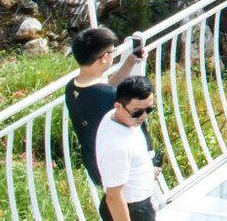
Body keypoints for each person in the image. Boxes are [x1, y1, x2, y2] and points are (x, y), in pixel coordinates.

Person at [66, 26, 143, 189]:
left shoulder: (72, 88)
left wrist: (128, 63)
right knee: (130, 207)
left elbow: (104, 89)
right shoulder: (107, 95)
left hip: (94, 163)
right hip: (120, 167)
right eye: (112, 53)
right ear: (104, 58)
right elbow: (135, 124)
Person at [94, 75, 159, 221]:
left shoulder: (115, 117)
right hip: (132, 210)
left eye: (149, 109)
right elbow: (114, 197)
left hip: (138, 204)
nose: (143, 116)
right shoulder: (117, 146)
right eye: (137, 112)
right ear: (118, 106)